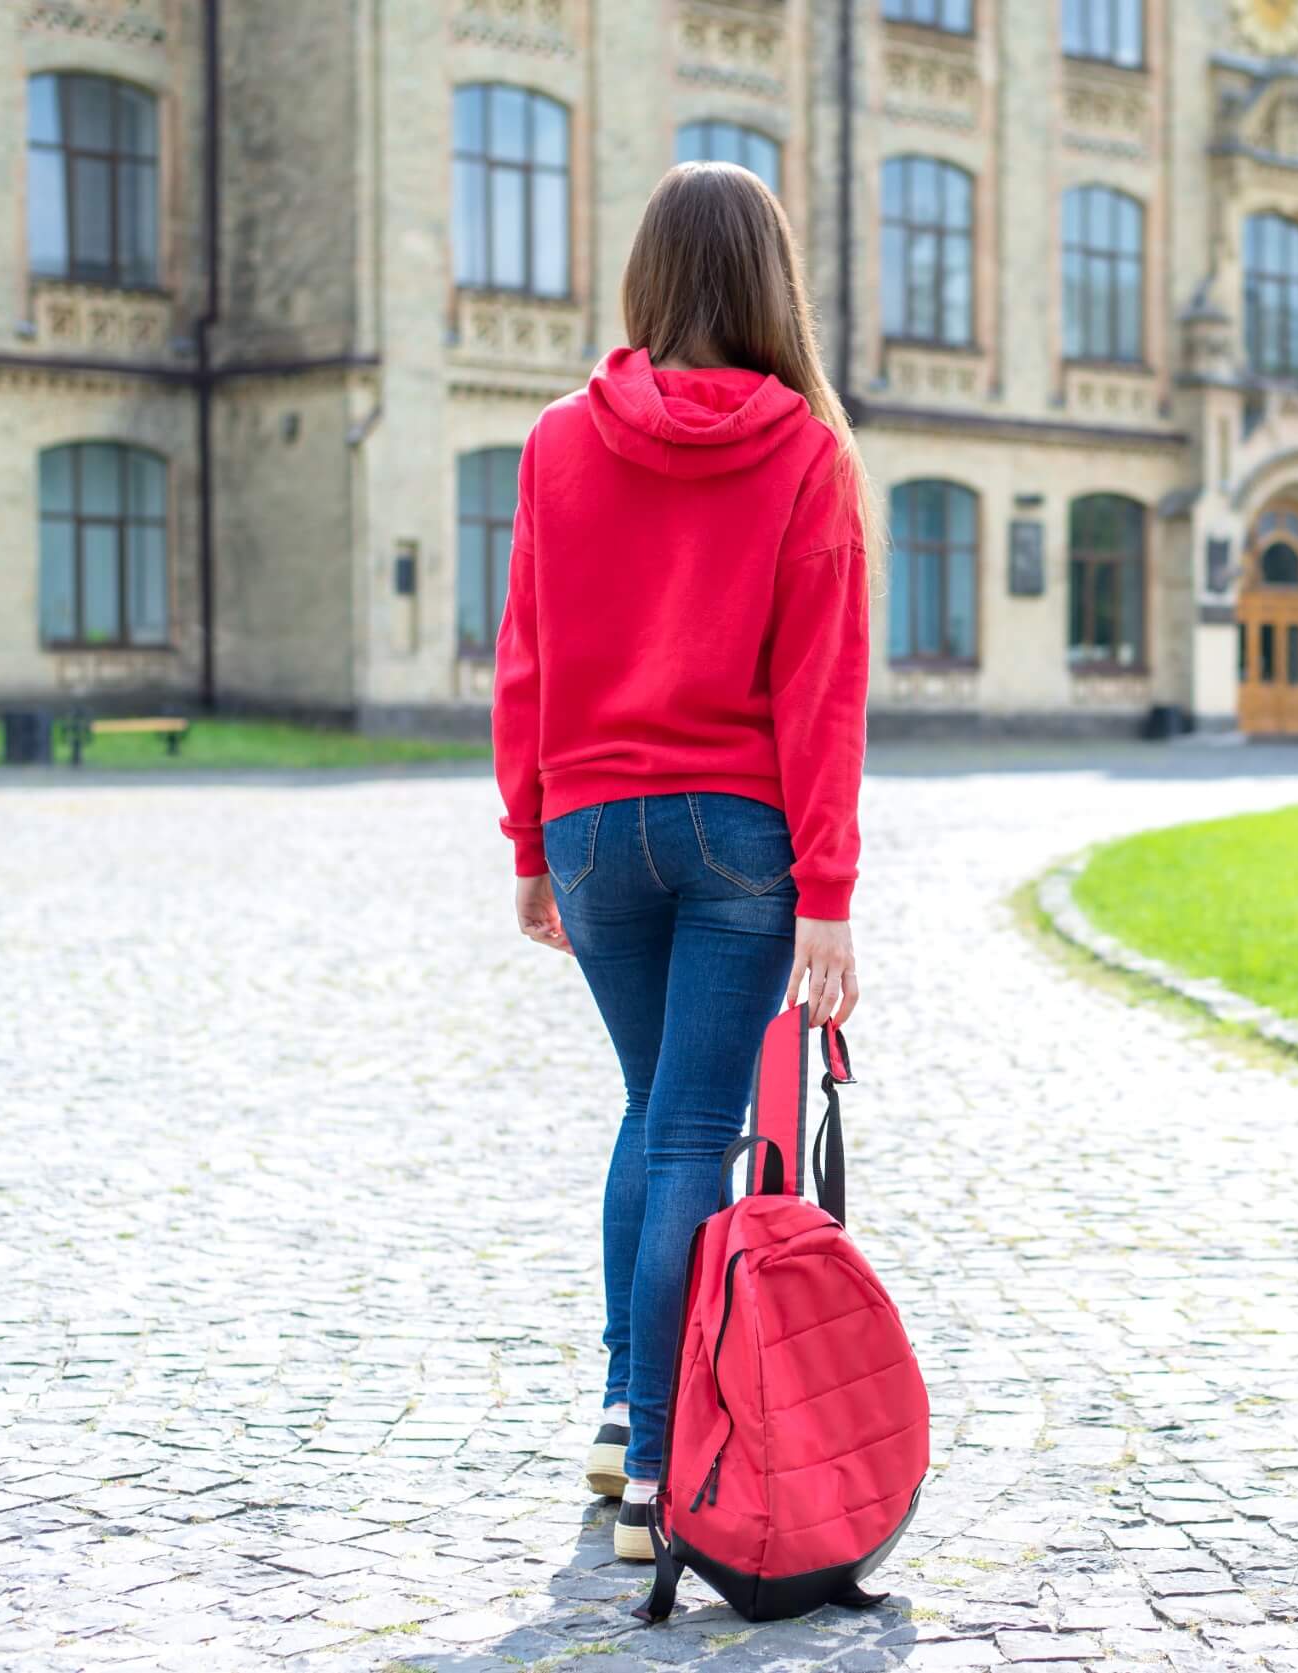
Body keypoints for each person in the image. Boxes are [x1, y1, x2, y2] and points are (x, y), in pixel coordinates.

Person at [490, 161, 874, 1564]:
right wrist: (827, 894)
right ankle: (662, 1464)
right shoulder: (806, 453)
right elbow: (820, 693)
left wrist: (530, 842)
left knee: (658, 1109)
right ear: (772, 284)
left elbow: (524, 655)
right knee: (685, 1132)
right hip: (736, 838)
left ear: (650, 277)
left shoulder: (551, 441)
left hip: (595, 831)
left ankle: (614, 1402)